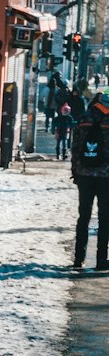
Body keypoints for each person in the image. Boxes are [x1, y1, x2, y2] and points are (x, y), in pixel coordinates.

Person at [72, 90, 109, 268]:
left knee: (83, 217)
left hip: (84, 175)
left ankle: (79, 258)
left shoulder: (84, 118)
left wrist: (75, 171)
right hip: (106, 177)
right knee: (105, 218)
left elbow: (75, 147)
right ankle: (101, 259)